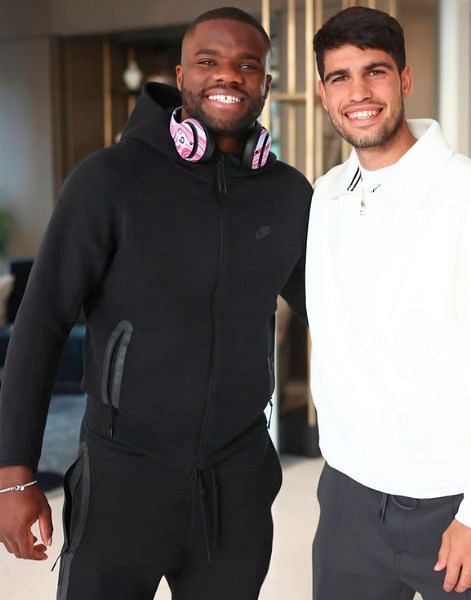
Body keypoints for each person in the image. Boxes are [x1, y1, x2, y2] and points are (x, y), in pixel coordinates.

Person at [0, 7, 309, 600]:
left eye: (248, 66)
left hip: (237, 482)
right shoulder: (109, 180)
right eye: (209, 62)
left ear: (266, 84)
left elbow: (342, 313)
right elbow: (39, 325)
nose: (229, 76)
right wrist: (15, 476)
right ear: (180, 74)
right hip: (123, 476)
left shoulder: (287, 195)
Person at [306, 7, 471, 600]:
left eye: (375, 72)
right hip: (347, 497)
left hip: (457, 502)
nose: (359, 93)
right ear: (322, 92)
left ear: (405, 80)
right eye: (340, 77)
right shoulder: (326, 199)